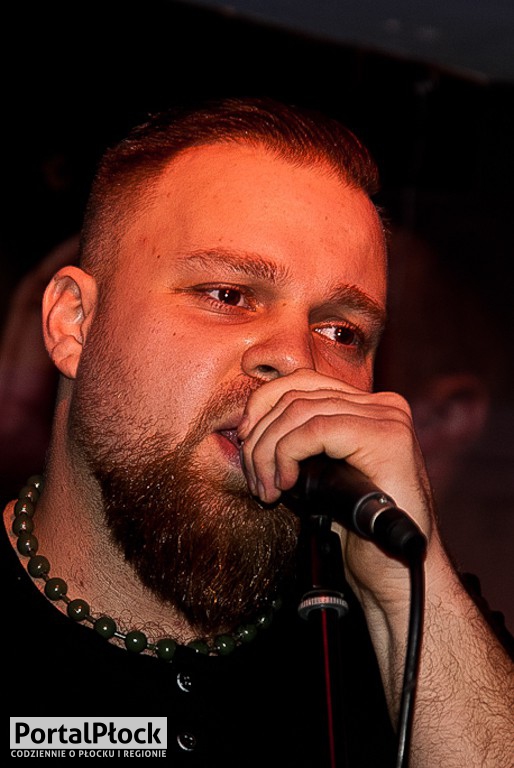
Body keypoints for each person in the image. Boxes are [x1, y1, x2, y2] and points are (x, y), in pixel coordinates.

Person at [3, 97, 513, 767]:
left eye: (341, 332)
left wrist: (402, 592)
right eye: (229, 295)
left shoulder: (408, 626)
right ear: (74, 324)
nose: (297, 359)